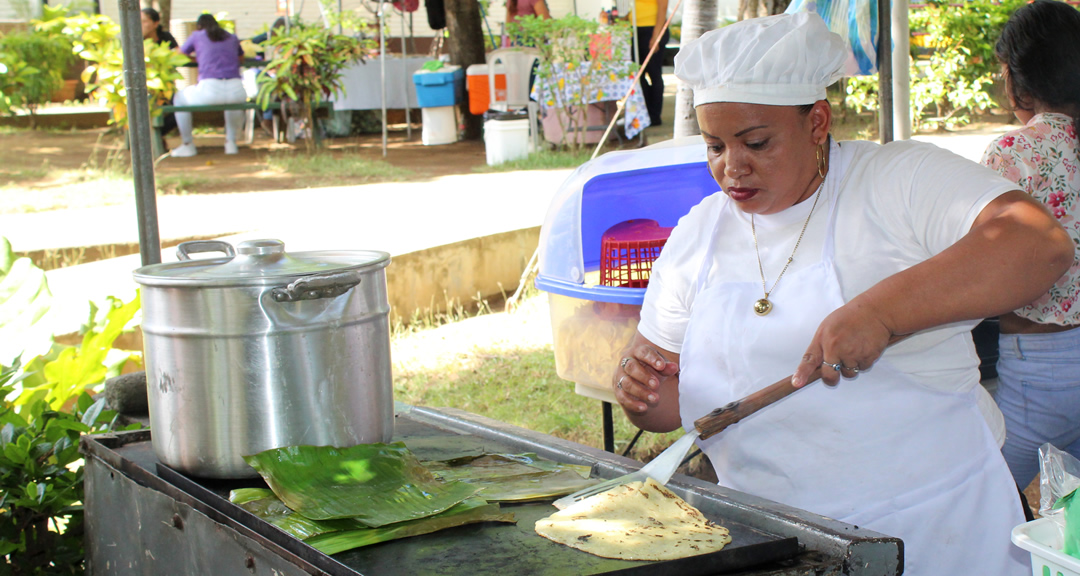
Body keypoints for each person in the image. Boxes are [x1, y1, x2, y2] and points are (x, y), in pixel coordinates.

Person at [611, 13, 1071, 576]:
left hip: (936, 530)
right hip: (779, 540)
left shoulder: (896, 182)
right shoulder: (698, 236)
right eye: (714, 147)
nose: (733, 168)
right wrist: (641, 391)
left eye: (756, 142)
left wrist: (882, 311)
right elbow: (667, 404)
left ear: (817, 122)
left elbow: (1036, 244)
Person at [979, 0, 1080, 492]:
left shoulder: (1015, 151)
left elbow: (977, 256)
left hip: (1042, 363)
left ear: (1018, 80)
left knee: (993, 493)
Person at [171, 14, 246, 157]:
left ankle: (187, 144)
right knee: (232, 104)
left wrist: (196, 57)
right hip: (237, 89)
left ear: (199, 26)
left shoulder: (197, 35)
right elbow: (241, 58)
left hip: (210, 90)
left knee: (179, 98)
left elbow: (180, 53)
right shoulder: (231, 37)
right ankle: (231, 143)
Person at [142, 8, 179, 139]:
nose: (141, 24)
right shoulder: (136, 41)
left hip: (166, 86)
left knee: (180, 108)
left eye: (145, 21)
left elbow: (178, 54)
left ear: (155, 23)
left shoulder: (165, 37)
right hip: (145, 87)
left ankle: (157, 136)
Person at [633, 0, 668, 126]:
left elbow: (663, 8)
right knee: (638, 75)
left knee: (654, 73)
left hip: (652, 30)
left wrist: (656, 36)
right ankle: (645, 113)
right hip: (633, 30)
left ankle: (654, 116)